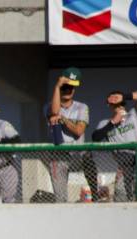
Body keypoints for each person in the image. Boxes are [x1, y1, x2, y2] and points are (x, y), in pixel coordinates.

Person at [44, 67, 95, 203]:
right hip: (59, 154)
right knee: (60, 198)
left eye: (71, 87)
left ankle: (95, 198)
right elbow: (54, 112)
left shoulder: (81, 107)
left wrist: (64, 120)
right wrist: (57, 86)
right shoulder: (49, 106)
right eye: (65, 87)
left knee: (93, 188)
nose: (68, 90)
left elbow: (79, 131)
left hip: (78, 153)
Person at [92, 89, 137, 202]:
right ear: (108, 104)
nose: (115, 102)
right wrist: (113, 122)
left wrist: (125, 96)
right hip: (123, 166)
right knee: (121, 197)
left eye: (117, 99)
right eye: (112, 100)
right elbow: (95, 138)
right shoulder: (105, 123)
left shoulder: (134, 115)